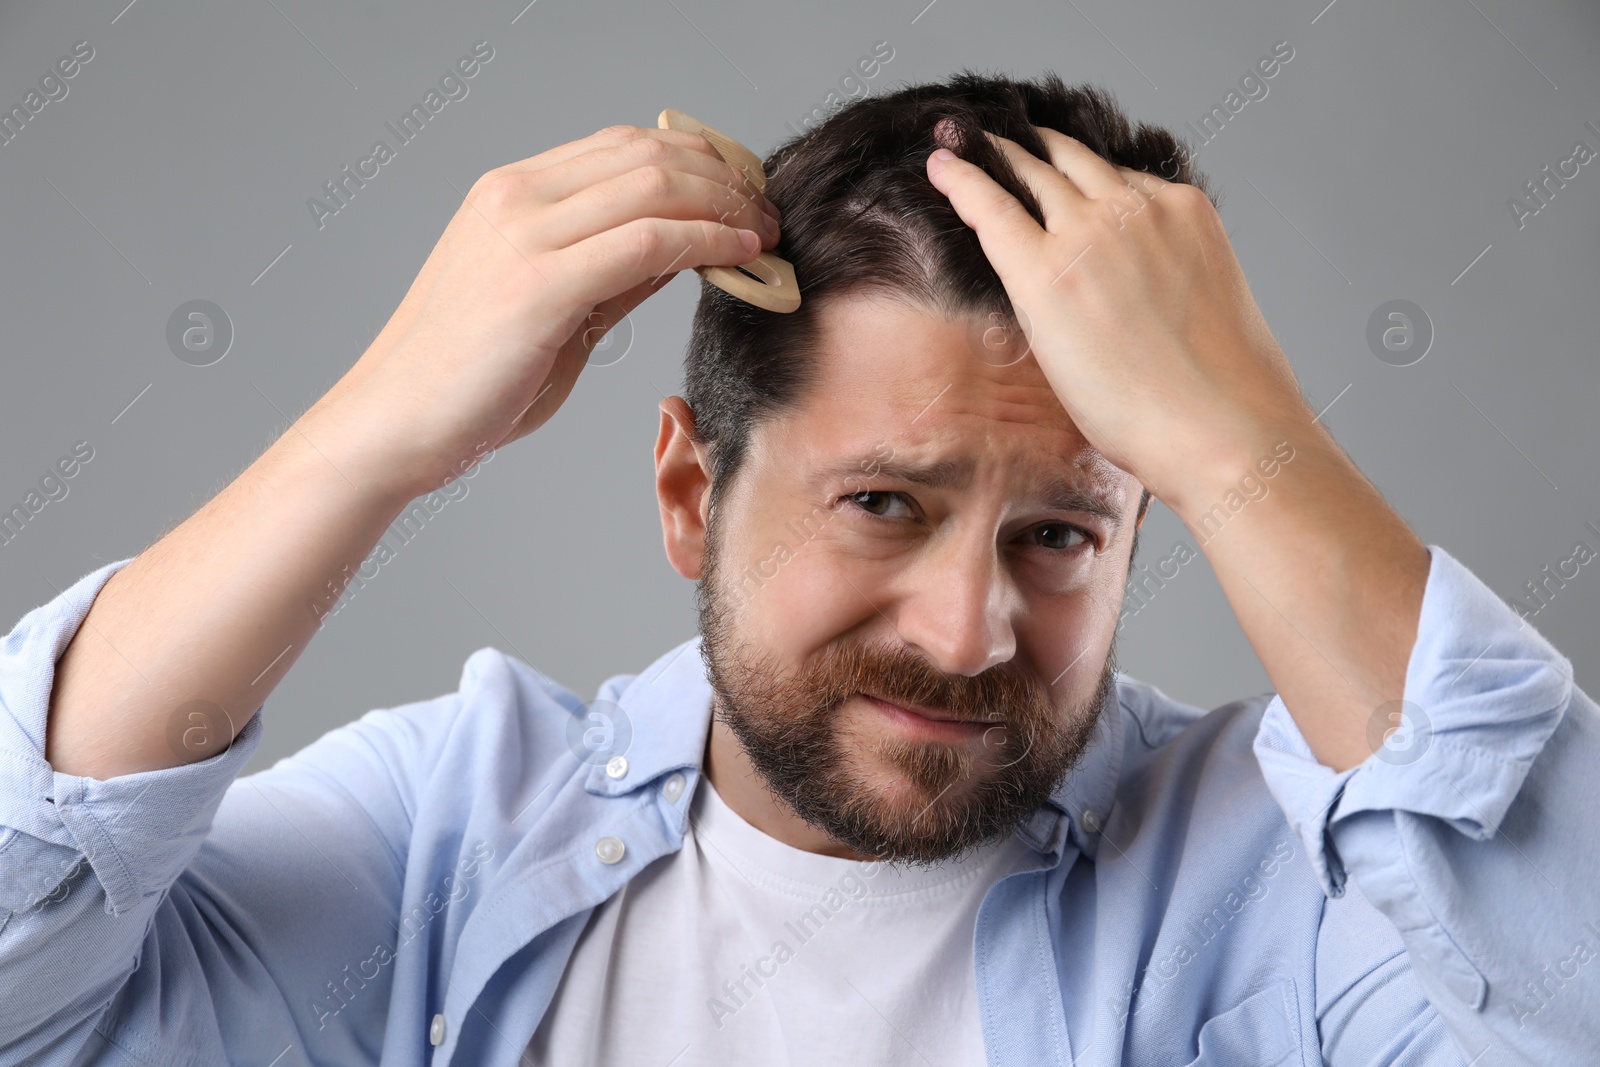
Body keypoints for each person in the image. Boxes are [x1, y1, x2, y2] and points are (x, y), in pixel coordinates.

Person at [0, 71, 1591, 1067]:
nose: (970, 635)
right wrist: (375, 432)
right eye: (886, 505)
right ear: (694, 493)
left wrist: (1250, 440)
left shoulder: (1275, 892)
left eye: (1058, 535)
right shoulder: (446, 840)